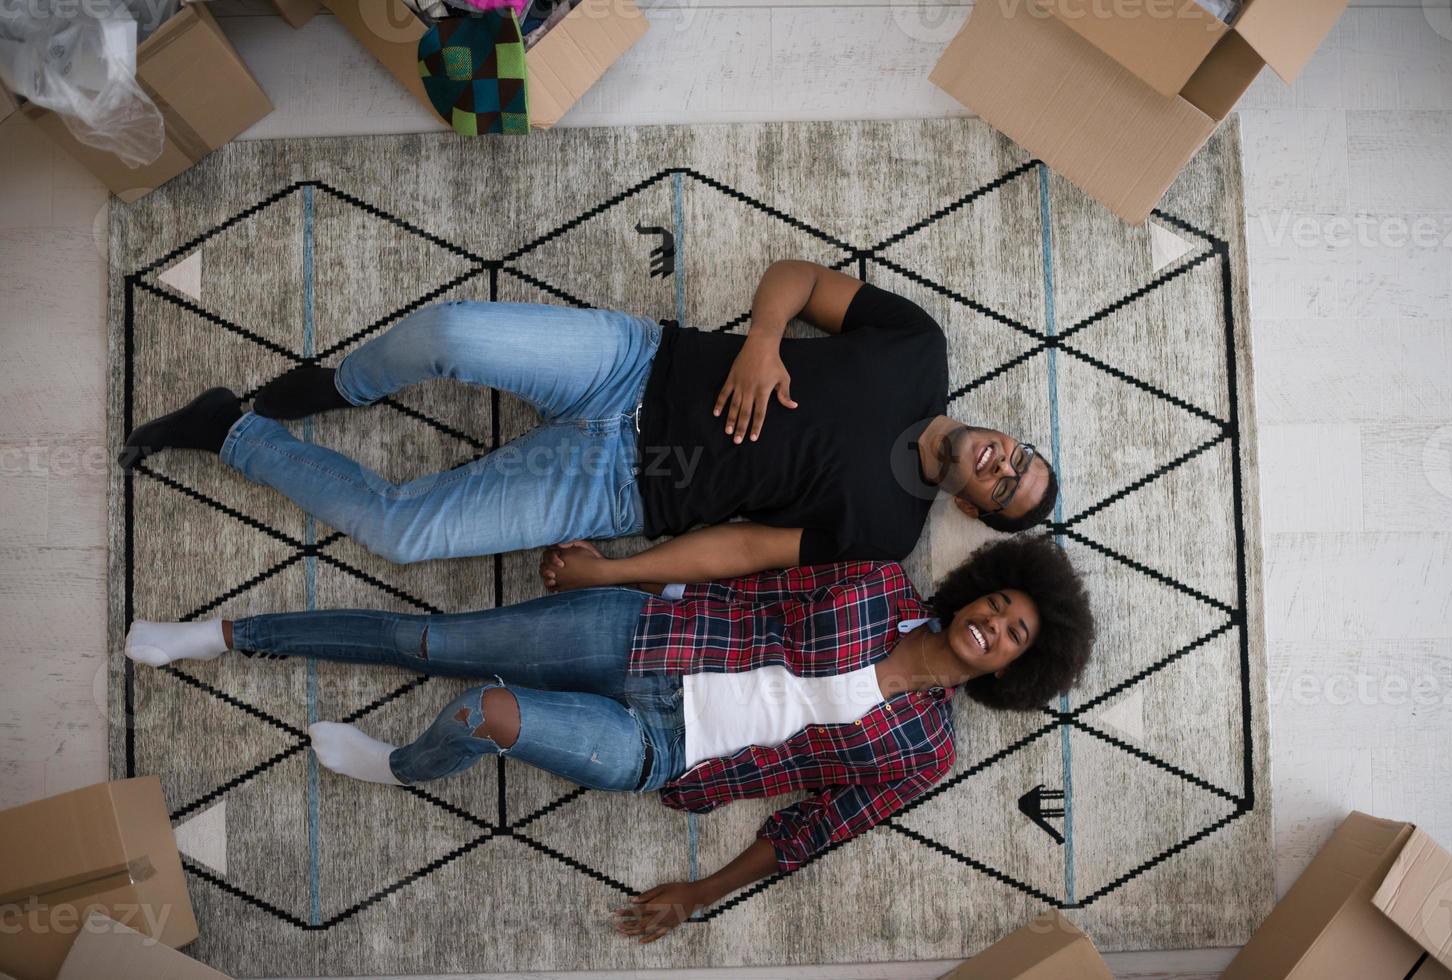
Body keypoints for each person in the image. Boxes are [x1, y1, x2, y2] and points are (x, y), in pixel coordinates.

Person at [124, 536, 1094, 942]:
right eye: (997, 603)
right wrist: (613, 573)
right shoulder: (880, 586)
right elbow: (746, 570)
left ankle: (399, 766)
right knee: (434, 643)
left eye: (1013, 635)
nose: (993, 625)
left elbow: (813, 828)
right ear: (975, 587)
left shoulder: (923, 751)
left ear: (1013, 671)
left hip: (661, 748)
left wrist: (696, 892)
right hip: (643, 632)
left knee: (484, 715)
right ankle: (221, 635)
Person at [120, 261, 1058, 582]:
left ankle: (230, 432)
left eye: (1004, 485)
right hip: (635, 363)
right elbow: (801, 279)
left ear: (976, 509)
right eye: (1020, 454)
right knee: (448, 330)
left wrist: (622, 568)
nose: (1002, 461)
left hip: (619, 487)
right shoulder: (918, 352)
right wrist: (764, 340)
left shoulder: (886, 535)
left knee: (402, 534)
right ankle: (348, 387)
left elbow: (738, 552)